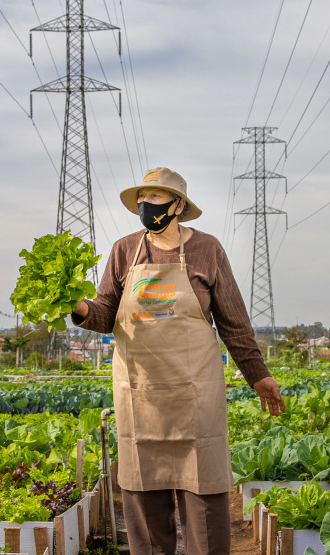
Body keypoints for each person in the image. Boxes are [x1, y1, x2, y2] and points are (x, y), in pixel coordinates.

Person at [71, 167, 285, 555]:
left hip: (194, 395)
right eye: (141, 198)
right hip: (141, 396)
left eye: (153, 198)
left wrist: (259, 376)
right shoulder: (124, 250)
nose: (144, 205)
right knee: (144, 496)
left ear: (178, 204)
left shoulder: (208, 250)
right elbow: (104, 313)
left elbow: (234, 322)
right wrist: (79, 305)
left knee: (203, 494)